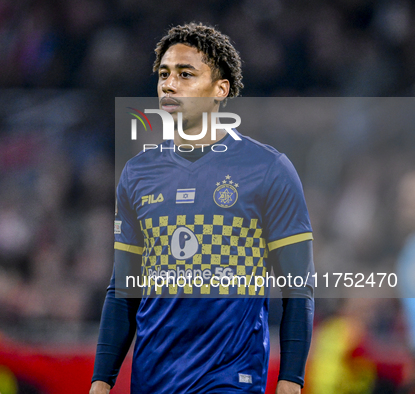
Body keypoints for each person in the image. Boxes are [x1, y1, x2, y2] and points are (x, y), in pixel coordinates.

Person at [91, 23, 314, 394]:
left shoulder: (268, 169)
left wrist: (290, 380)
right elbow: (123, 290)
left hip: (230, 379)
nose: (169, 84)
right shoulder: (138, 174)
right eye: (163, 74)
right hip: (152, 380)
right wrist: (101, 381)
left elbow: (298, 288)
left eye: (185, 74)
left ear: (220, 89)